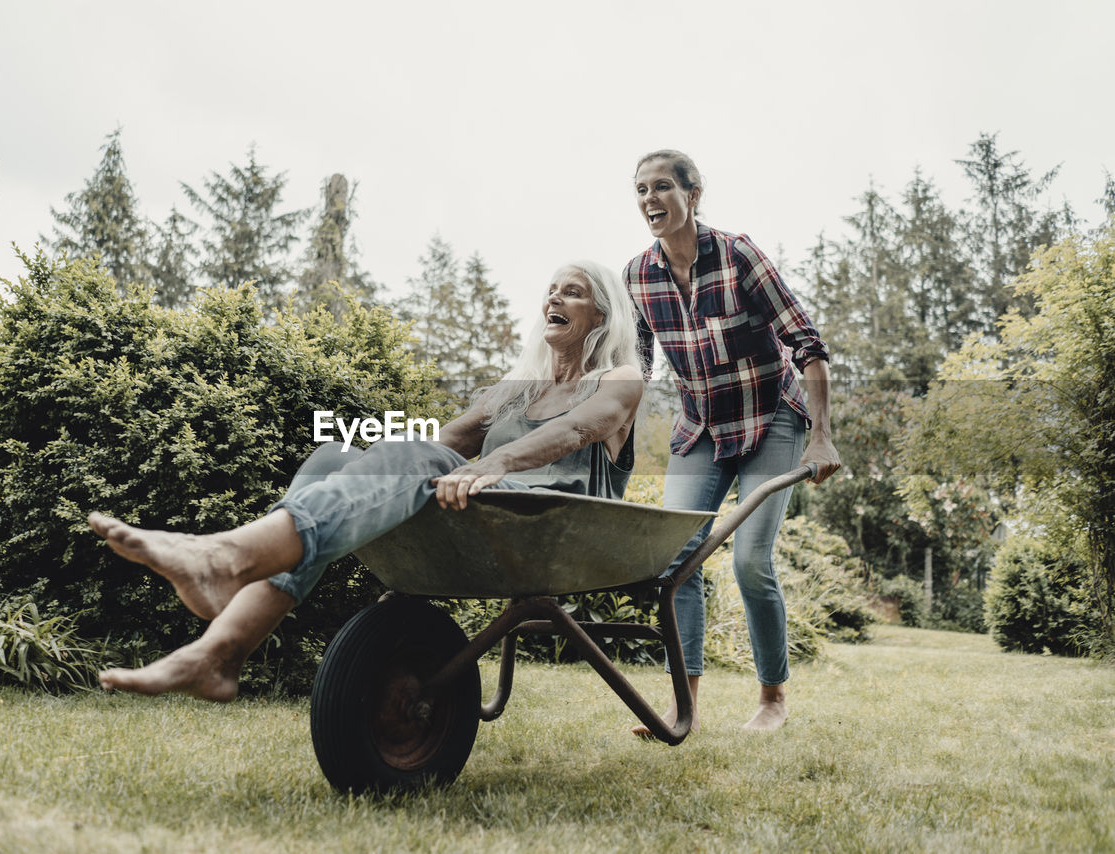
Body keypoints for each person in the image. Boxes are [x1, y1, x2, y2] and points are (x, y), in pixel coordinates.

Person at [89, 260, 643, 701]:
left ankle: (224, 560)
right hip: (481, 512)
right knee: (334, 456)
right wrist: (373, 467)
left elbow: (580, 427)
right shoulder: (517, 390)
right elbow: (445, 442)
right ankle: (220, 654)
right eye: (550, 289)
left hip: (551, 527)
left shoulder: (619, 379)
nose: (553, 299)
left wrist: (494, 463)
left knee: (414, 457)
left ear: (601, 315)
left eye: (571, 291)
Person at [624, 149, 841, 734]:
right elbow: (635, 367)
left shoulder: (737, 253)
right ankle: (684, 705)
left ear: (693, 195)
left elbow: (807, 343)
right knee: (676, 561)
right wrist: (609, 430)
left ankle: (773, 700)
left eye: (662, 186)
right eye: (640, 189)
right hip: (701, 427)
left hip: (772, 417)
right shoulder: (639, 276)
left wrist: (820, 438)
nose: (650, 198)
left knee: (749, 560)